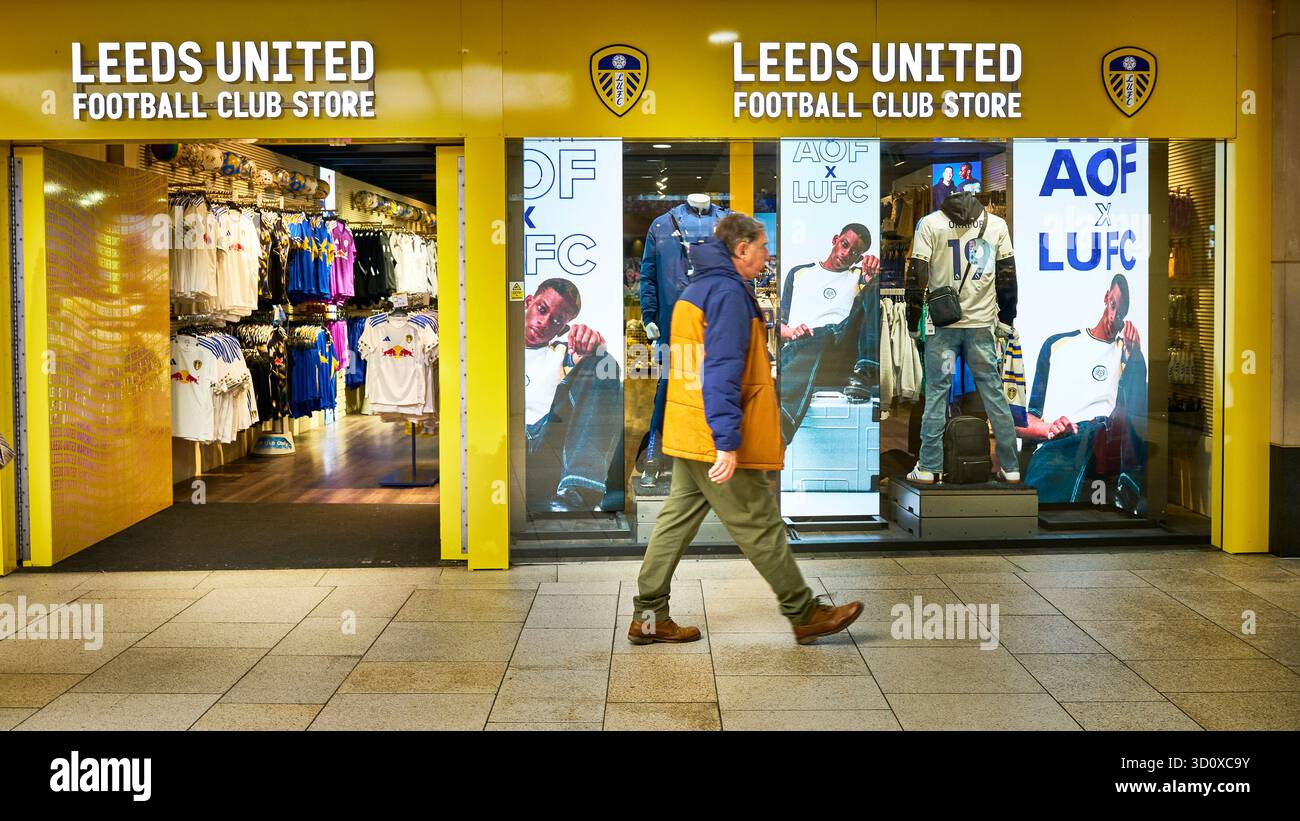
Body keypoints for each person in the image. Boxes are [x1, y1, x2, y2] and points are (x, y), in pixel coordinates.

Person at [629, 213, 864, 646]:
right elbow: (721, 370)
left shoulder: (696, 288)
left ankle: (648, 617)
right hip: (711, 434)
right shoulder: (727, 293)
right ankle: (804, 611)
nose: (767, 253)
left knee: (675, 521)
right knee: (759, 522)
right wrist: (726, 441)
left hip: (689, 427)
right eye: (761, 246)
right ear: (741, 249)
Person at [1019, 273, 1148, 510]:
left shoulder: (1125, 353)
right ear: (1106, 298)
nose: (1113, 316)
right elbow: (1028, 417)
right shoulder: (1058, 345)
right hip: (1065, 438)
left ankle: (1126, 485)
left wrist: (1135, 357)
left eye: (1120, 313)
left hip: (1105, 438)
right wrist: (1048, 429)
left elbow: (1136, 410)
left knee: (1108, 425)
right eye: (1112, 306)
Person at [523, 278, 624, 512]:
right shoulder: (497, 344)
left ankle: (580, 488)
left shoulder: (563, 352)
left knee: (603, 365)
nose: (545, 322)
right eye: (542, 309)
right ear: (528, 302)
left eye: (557, 320)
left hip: (545, 443)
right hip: (507, 440)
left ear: (564, 327)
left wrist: (597, 350)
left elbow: (602, 372)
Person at [778, 222, 881, 444]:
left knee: (875, 289)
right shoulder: (799, 273)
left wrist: (871, 280)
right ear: (835, 239)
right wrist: (792, 331)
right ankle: (779, 426)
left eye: (855, 252)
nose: (846, 253)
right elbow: (779, 324)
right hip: (802, 346)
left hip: (839, 352)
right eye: (845, 244)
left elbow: (864, 316)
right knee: (818, 335)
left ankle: (866, 370)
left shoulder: (859, 278)